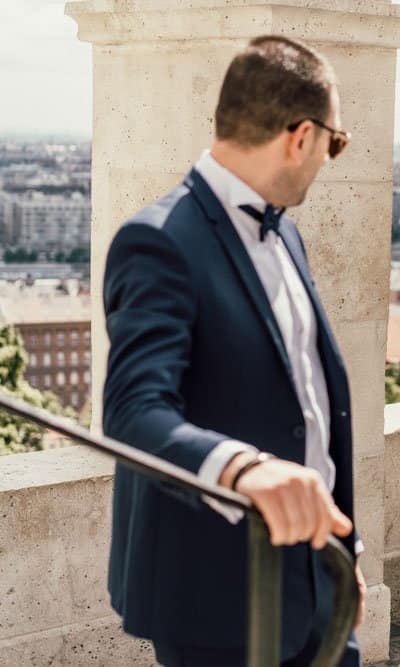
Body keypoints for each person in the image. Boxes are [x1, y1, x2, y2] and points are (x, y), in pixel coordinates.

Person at [102, 35, 365, 665]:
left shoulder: (289, 235)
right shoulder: (157, 239)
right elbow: (134, 412)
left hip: (319, 586)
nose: (330, 158)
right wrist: (245, 469)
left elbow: (308, 407)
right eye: (336, 141)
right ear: (301, 137)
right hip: (218, 598)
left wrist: (343, 562)